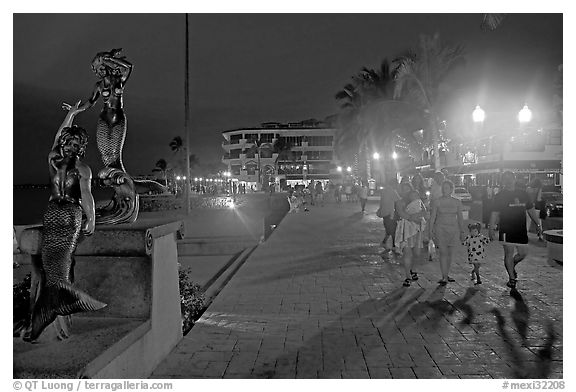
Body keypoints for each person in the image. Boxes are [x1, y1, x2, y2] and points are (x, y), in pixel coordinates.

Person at [26, 101, 105, 341]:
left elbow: (87, 195)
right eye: (71, 142)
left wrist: (71, 115)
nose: (71, 145)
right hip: (62, 214)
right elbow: (87, 194)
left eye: (73, 142)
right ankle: (57, 300)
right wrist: (90, 218)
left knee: (58, 258)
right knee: (56, 260)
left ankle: (54, 300)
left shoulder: (59, 161)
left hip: (61, 213)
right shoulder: (75, 165)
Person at [490, 171, 540, 289]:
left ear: (514, 179)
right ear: (502, 181)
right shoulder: (499, 196)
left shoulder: (523, 194)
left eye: (510, 178)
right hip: (506, 229)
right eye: (505, 179)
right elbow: (495, 213)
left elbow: (530, 209)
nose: (508, 181)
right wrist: (491, 228)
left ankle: (512, 265)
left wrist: (538, 224)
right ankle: (512, 278)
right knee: (508, 253)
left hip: (520, 229)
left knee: (523, 254)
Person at [429, 180, 466, 285]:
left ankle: (446, 273)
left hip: (453, 229)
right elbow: (432, 217)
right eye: (443, 188)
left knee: (450, 254)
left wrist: (462, 231)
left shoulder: (457, 202)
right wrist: (430, 231)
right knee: (443, 252)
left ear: (451, 189)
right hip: (440, 228)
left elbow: (460, 218)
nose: (445, 190)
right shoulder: (437, 201)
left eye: (447, 188)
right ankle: (444, 276)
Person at [394, 183, 427, 287]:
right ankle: (408, 276)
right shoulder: (399, 202)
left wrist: (417, 217)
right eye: (404, 190)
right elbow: (402, 214)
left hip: (417, 229)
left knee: (416, 253)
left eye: (408, 189)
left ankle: (412, 270)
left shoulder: (417, 201)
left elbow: (424, 212)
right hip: (406, 229)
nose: (406, 192)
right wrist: (414, 218)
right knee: (407, 253)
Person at [379, 178, 400, 250]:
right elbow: (398, 200)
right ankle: (393, 245)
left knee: (389, 229)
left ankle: (384, 242)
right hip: (390, 213)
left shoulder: (384, 190)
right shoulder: (392, 191)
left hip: (385, 213)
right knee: (392, 230)